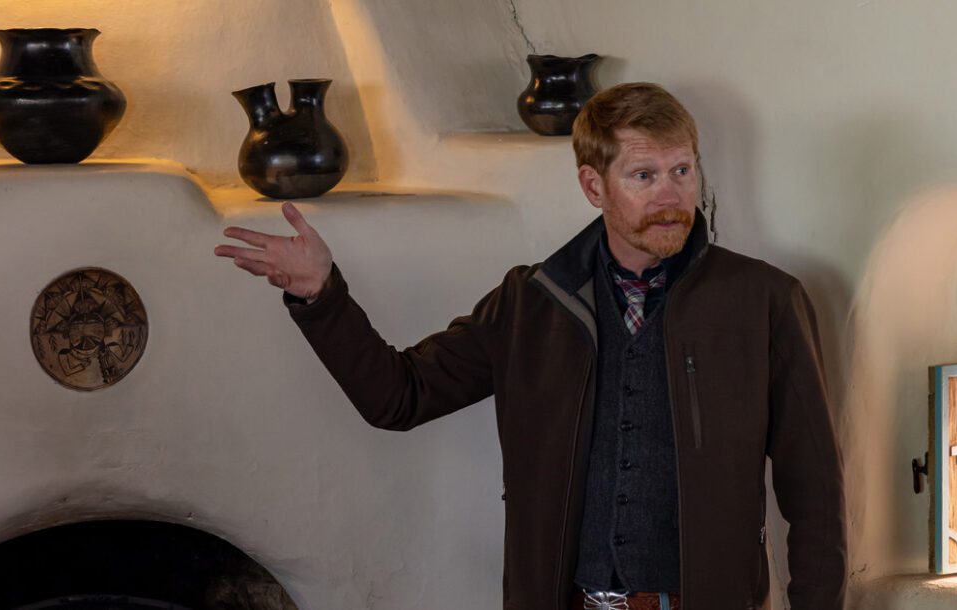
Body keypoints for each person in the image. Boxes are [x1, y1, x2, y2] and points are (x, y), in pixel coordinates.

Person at [212, 83, 844, 610]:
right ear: (594, 186)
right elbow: (398, 397)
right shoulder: (530, 303)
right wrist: (321, 296)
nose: (670, 196)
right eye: (644, 175)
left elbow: (814, 496)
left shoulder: (766, 301)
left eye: (682, 171)